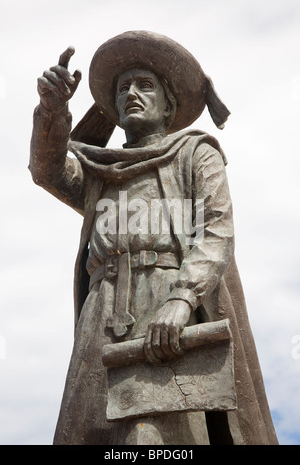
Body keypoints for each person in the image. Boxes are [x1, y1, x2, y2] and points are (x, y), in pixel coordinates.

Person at [30, 31, 278, 445]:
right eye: (123, 87)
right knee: (88, 431)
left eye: (145, 85)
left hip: (168, 308)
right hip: (102, 315)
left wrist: (182, 300)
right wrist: (52, 112)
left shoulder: (195, 153)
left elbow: (217, 231)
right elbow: (48, 171)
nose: (131, 93)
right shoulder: (99, 173)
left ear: (168, 105)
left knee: (169, 437)